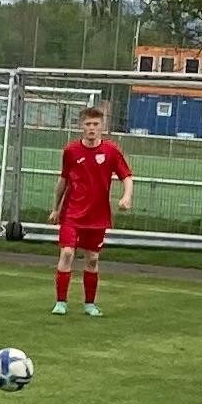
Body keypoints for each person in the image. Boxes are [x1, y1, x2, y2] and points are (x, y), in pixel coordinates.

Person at [48, 105, 133, 316]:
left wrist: (126, 197)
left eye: (96, 124)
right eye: (88, 124)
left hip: (97, 215)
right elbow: (63, 181)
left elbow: (126, 177)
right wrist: (56, 209)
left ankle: (89, 304)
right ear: (81, 126)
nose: (92, 128)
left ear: (102, 126)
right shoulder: (71, 151)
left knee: (93, 259)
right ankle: (61, 302)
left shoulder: (111, 151)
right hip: (72, 213)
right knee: (67, 253)